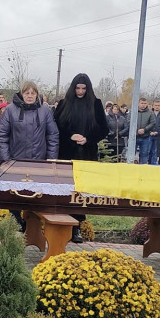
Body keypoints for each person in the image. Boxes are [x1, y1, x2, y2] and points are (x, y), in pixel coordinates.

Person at [53, 73, 107, 242]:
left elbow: (104, 129)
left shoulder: (96, 104)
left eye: (84, 88)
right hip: (67, 152)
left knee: (81, 191)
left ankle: (77, 227)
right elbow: (56, 125)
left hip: (86, 153)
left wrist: (87, 139)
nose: (80, 91)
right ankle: (62, 225)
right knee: (65, 189)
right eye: (78, 88)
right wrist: (70, 136)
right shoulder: (64, 103)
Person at [0, 80, 59, 162]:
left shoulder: (45, 111)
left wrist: (51, 159)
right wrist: (5, 160)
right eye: (27, 93)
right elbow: (2, 136)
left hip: (39, 161)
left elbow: (52, 136)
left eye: (33, 93)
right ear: (22, 94)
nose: (30, 96)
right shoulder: (10, 110)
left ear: (37, 95)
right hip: (15, 161)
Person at [133, 97, 156, 164]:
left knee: (144, 154)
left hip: (145, 137)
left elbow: (153, 123)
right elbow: (129, 122)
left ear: (147, 104)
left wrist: (144, 129)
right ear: (138, 104)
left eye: (145, 103)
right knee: (131, 154)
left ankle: (143, 169)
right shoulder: (133, 111)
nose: (143, 105)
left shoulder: (150, 113)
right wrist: (137, 130)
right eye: (142, 103)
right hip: (134, 137)